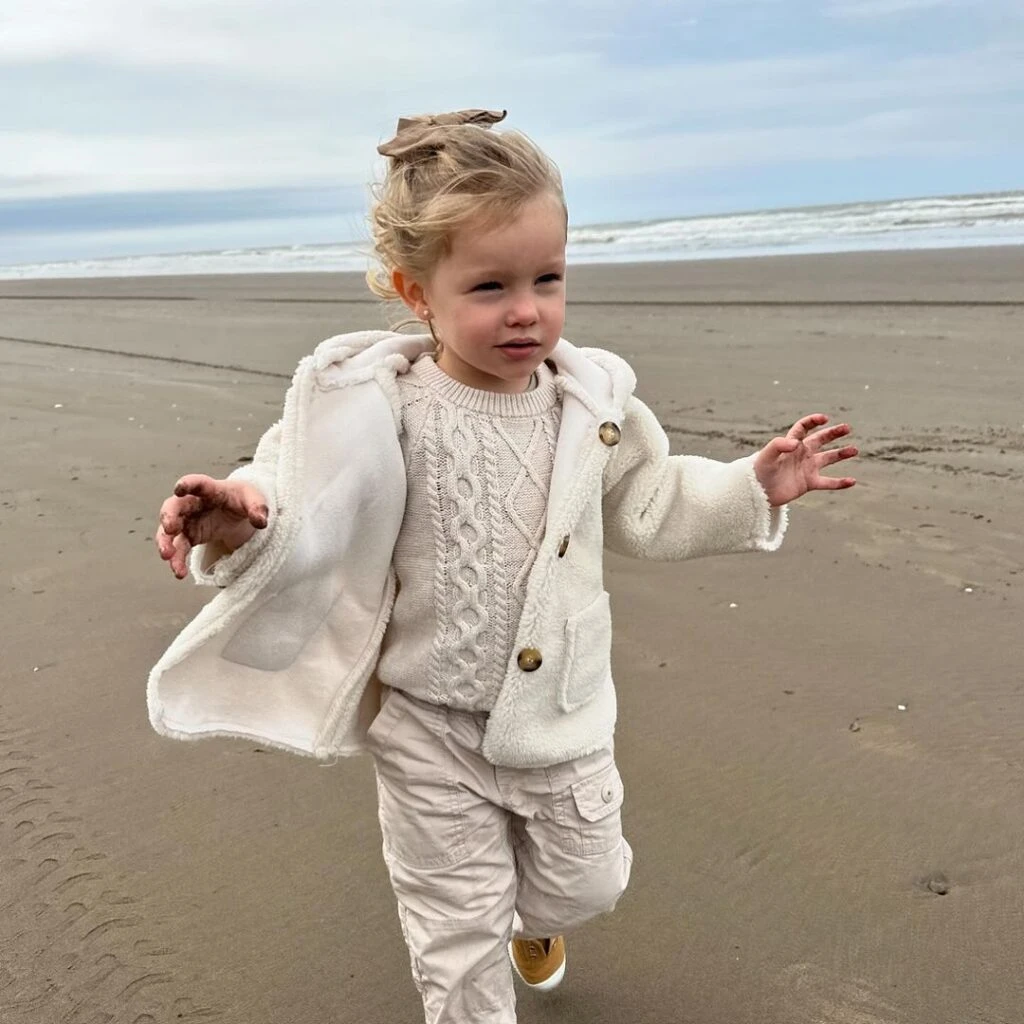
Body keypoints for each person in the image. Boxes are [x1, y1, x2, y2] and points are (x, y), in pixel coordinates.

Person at [150, 108, 857, 1024]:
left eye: (547, 279)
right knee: (454, 932)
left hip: (562, 716)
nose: (527, 309)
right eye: (490, 286)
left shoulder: (590, 403)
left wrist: (750, 485)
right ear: (416, 294)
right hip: (427, 727)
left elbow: (649, 501)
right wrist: (237, 516)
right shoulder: (377, 404)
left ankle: (535, 922)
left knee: (587, 885)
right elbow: (296, 490)